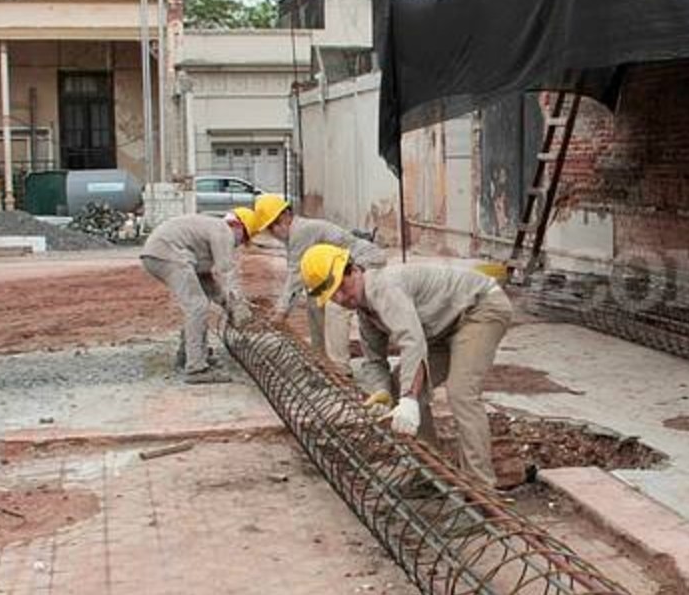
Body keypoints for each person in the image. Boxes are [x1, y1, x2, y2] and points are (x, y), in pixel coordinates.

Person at [300, 244, 511, 488]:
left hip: (480, 308)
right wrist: (382, 393)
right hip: (442, 326)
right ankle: (432, 474)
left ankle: (481, 490)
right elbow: (375, 361)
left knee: (461, 392)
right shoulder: (365, 310)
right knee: (402, 379)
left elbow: (412, 342)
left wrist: (409, 399)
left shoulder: (383, 287)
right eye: (332, 295)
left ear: (354, 270)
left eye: (341, 287)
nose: (341, 298)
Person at [251, 193, 387, 372]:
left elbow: (295, 275)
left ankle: (339, 368)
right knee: (314, 300)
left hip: (365, 260)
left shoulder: (302, 231)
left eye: (274, 225)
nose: (274, 232)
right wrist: (280, 309)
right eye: (269, 228)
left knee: (337, 303)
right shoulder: (292, 236)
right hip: (342, 266)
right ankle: (320, 359)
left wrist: (281, 312)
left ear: (285, 215)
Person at [140, 208, 257, 384]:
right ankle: (196, 368)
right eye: (244, 238)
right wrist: (238, 305)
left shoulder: (207, 229)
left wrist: (226, 303)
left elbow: (206, 280)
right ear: (239, 227)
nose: (240, 244)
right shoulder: (223, 230)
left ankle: (187, 354)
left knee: (197, 302)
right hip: (168, 253)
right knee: (197, 305)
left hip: (159, 253)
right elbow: (226, 270)